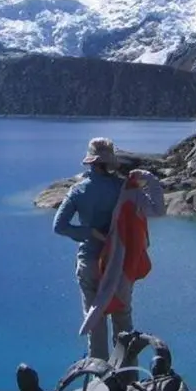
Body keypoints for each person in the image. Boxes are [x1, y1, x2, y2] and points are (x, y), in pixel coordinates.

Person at [52, 137, 131, 362]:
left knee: (95, 323)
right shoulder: (122, 188)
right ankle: (127, 380)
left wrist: (89, 232)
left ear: (90, 162)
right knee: (123, 321)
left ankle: (101, 381)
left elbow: (59, 227)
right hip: (119, 263)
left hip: (90, 262)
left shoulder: (78, 191)